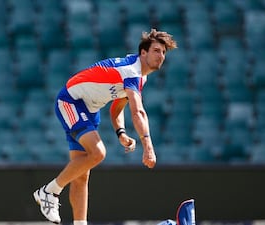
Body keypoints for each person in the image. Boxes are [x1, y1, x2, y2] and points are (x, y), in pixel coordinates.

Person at [33, 29, 177, 224]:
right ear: (143, 53)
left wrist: (121, 132)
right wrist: (148, 146)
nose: (161, 56)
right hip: (71, 101)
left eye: (163, 53)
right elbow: (138, 112)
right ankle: (49, 191)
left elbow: (117, 108)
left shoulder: (141, 77)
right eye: (156, 51)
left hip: (90, 110)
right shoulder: (132, 72)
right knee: (98, 153)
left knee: (82, 174)